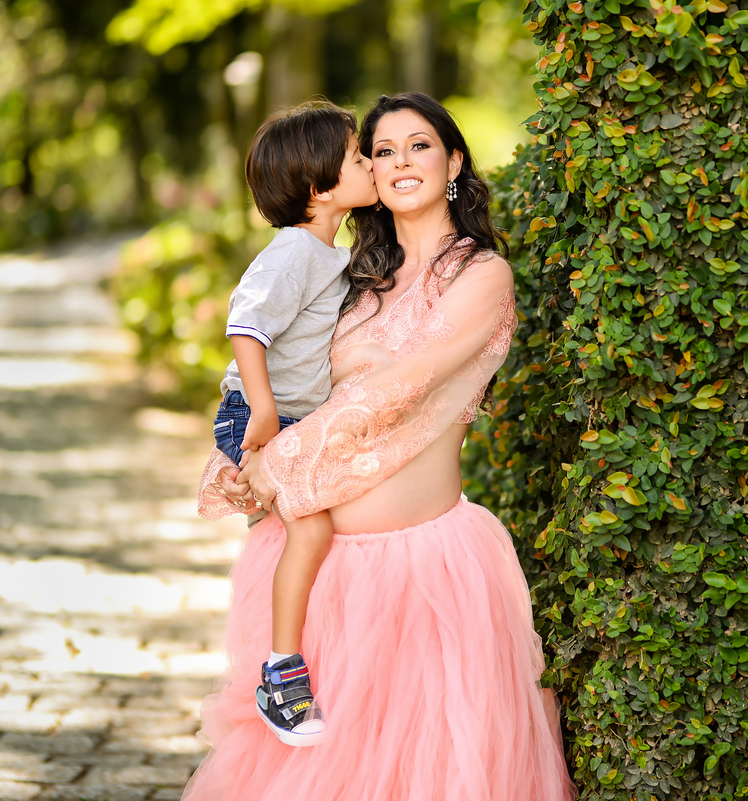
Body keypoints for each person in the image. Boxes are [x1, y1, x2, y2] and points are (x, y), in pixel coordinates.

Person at [187, 92, 574, 801]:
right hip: (322, 571)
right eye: (382, 150)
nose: (398, 162)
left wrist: (278, 465)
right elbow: (288, 373)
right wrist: (240, 452)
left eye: (418, 145)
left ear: (454, 160)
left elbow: (393, 394)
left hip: (427, 575)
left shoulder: (481, 275)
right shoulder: (350, 278)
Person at [211, 100, 377, 747]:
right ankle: (281, 674)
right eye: (360, 157)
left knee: (302, 533)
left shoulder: (328, 250)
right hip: (260, 415)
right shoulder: (292, 253)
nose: (371, 166)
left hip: (298, 420)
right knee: (307, 532)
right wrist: (262, 407)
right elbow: (244, 326)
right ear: (319, 188)